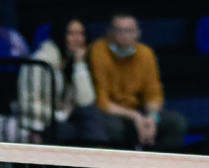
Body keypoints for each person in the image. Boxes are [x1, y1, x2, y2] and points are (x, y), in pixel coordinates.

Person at [87, 15, 187, 151]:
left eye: (129, 31)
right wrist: (135, 116)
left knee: (176, 122)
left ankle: (160, 163)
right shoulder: (99, 51)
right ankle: (121, 164)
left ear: (138, 33)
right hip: (113, 112)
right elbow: (102, 101)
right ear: (110, 32)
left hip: (140, 110)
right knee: (114, 127)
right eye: (119, 30)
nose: (125, 35)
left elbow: (154, 95)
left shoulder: (146, 53)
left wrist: (151, 117)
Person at [18, 19, 110, 144]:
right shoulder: (41, 61)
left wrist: (79, 64)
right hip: (40, 122)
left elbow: (86, 101)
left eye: (81, 34)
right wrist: (59, 115)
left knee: (91, 113)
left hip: (64, 117)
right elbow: (29, 104)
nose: (77, 39)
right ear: (60, 35)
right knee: (74, 131)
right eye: (71, 34)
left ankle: (99, 152)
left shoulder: (73, 61)